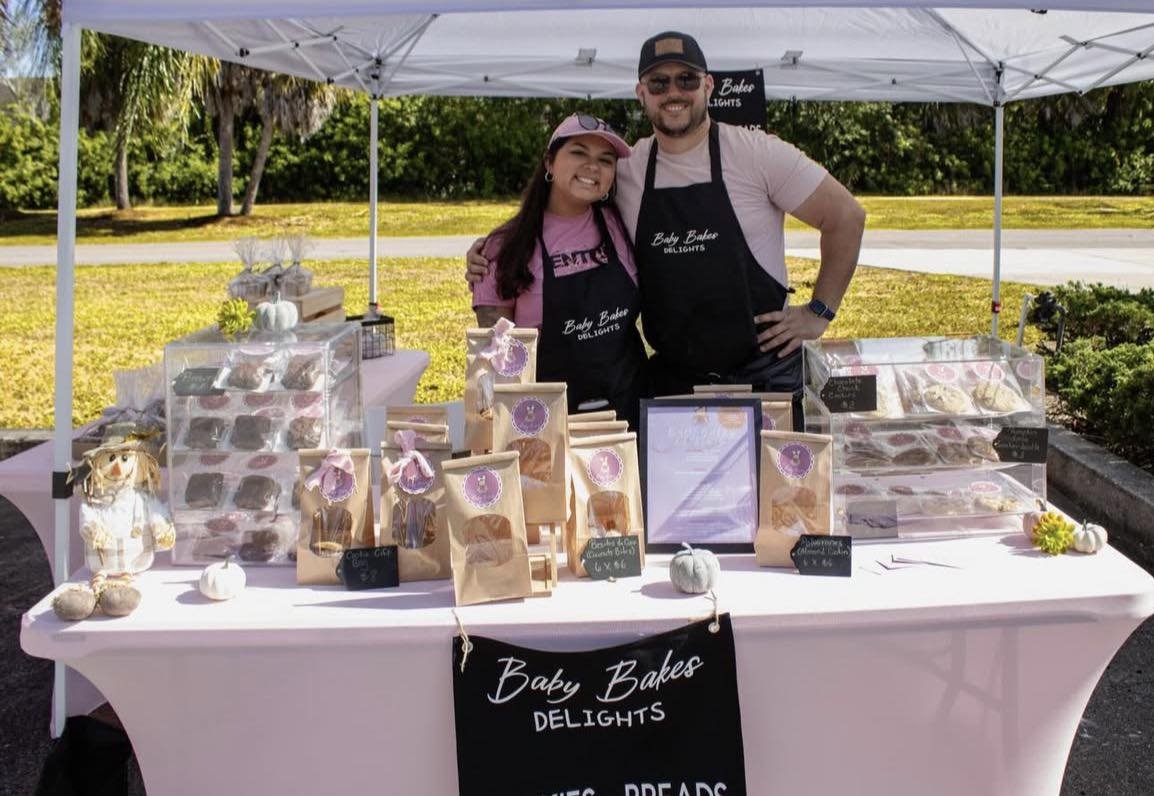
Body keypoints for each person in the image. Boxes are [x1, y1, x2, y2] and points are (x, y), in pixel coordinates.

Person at [469, 31, 866, 401]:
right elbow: (563, 204)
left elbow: (846, 216)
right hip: (674, 384)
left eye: (686, 80)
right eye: (658, 83)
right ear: (641, 93)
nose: (673, 92)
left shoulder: (758, 153)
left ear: (708, 86)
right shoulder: (626, 169)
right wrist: (494, 250)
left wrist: (819, 311)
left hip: (765, 376)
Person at [471, 113, 648, 428]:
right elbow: (495, 355)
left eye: (605, 160)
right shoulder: (504, 247)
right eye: (579, 152)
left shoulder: (622, 222)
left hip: (626, 415)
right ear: (549, 163)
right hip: (547, 422)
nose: (593, 166)